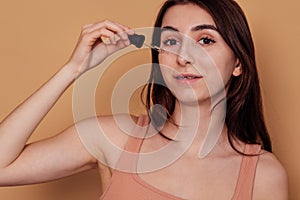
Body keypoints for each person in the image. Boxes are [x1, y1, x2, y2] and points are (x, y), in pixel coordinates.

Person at [0, 0, 288, 199]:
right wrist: (73, 70)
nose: (184, 57)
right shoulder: (115, 137)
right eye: (171, 42)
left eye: (205, 40)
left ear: (238, 62)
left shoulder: (264, 173)